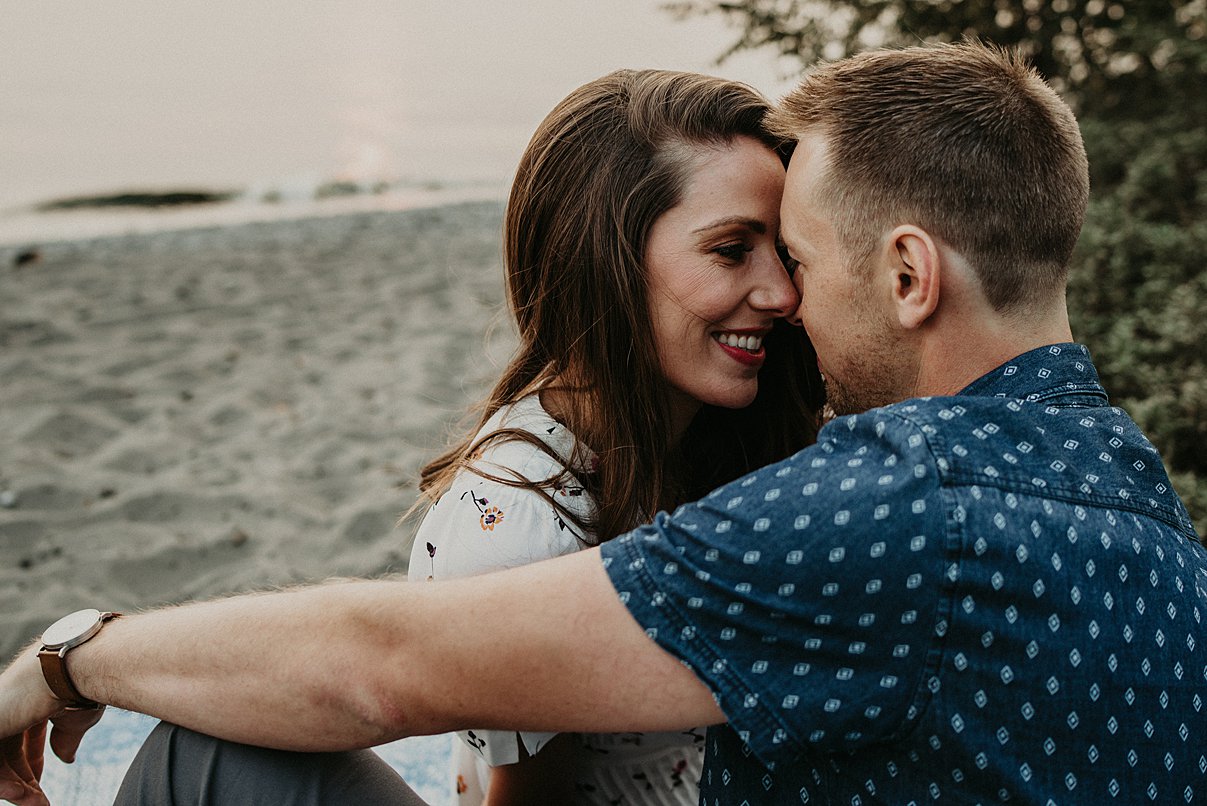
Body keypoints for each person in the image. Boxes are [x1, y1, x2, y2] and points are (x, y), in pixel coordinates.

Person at [2, 41, 1204, 806]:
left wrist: (70, 652)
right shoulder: (1132, 486)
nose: (786, 299)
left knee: (209, 760)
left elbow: (382, 666)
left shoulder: (891, 512)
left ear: (906, 275)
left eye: (795, 255)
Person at [405, 69, 820, 804]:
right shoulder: (519, 531)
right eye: (730, 250)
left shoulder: (735, 442)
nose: (782, 294)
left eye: (784, 252)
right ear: (606, 263)